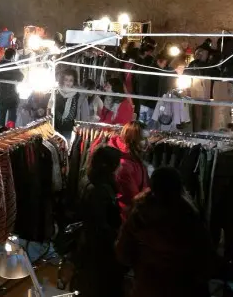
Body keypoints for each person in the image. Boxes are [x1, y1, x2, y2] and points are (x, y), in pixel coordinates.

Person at [116, 167, 214, 297]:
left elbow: (123, 254)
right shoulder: (190, 217)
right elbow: (206, 260)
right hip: (184, 288)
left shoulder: (139, 216)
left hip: (147, 287)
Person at [72, 145, 124, 297]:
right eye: (118, 163)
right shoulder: (100, 189)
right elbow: (100, 224)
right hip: (98, 250)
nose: (121, 166)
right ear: (111, 166)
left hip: (87, 245)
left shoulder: (89, 179)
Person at [103, 121, 149, 220]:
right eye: (142, 139)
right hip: (127, 218)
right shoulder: (124, 164)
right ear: (132, 139)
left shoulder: (134, 158)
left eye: (146, 138)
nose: (146, 142)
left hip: (133, 215)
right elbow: (131, 198)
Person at [136, 52, 169, 127]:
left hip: (142, 102)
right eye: (164, 64)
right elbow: (159, 90)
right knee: (150, 127)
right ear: (159, 61)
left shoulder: (146, 69)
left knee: (141, 124)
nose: (164, 66)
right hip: (152, 104)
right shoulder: (157, 73)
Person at [54, 69, 89, 137]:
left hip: (70, 128)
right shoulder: (56, 92)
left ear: (74, 81)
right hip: (55, 126)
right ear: (62, 80)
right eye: (66, 80)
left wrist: (81, 128)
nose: (68, 82)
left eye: (71, 80)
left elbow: (84, 113)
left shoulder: (78, 94)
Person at [0, 48, 24, 127]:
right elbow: (21, 77)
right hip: (12, 92)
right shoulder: (14, 66)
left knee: (2, 113)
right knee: (12, 113)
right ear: (13, 56)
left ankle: (0, 131)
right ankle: (9, 132)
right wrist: (15, 83)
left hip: (3, 92)